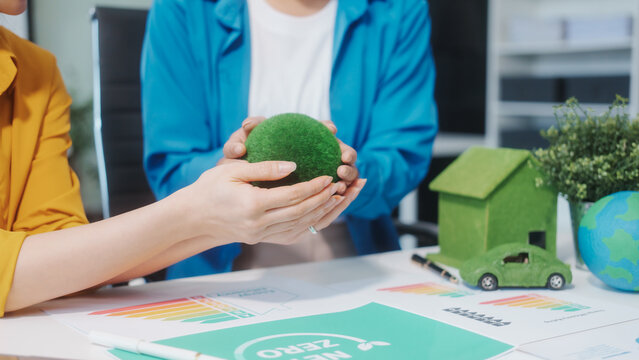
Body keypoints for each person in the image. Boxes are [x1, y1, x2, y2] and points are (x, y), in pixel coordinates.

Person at [0, 0, 364, 316]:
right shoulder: (183, 12)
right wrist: (198, 213)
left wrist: (217, 216)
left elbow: (62, 266)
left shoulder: (36, 73)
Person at [141, 0, 438, 278]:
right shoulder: (184, 8)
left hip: (348, 250)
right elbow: (170, 166)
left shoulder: (398, 9)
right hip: (217, 253)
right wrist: (222, 174)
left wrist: (352, 175)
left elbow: (403, 151)